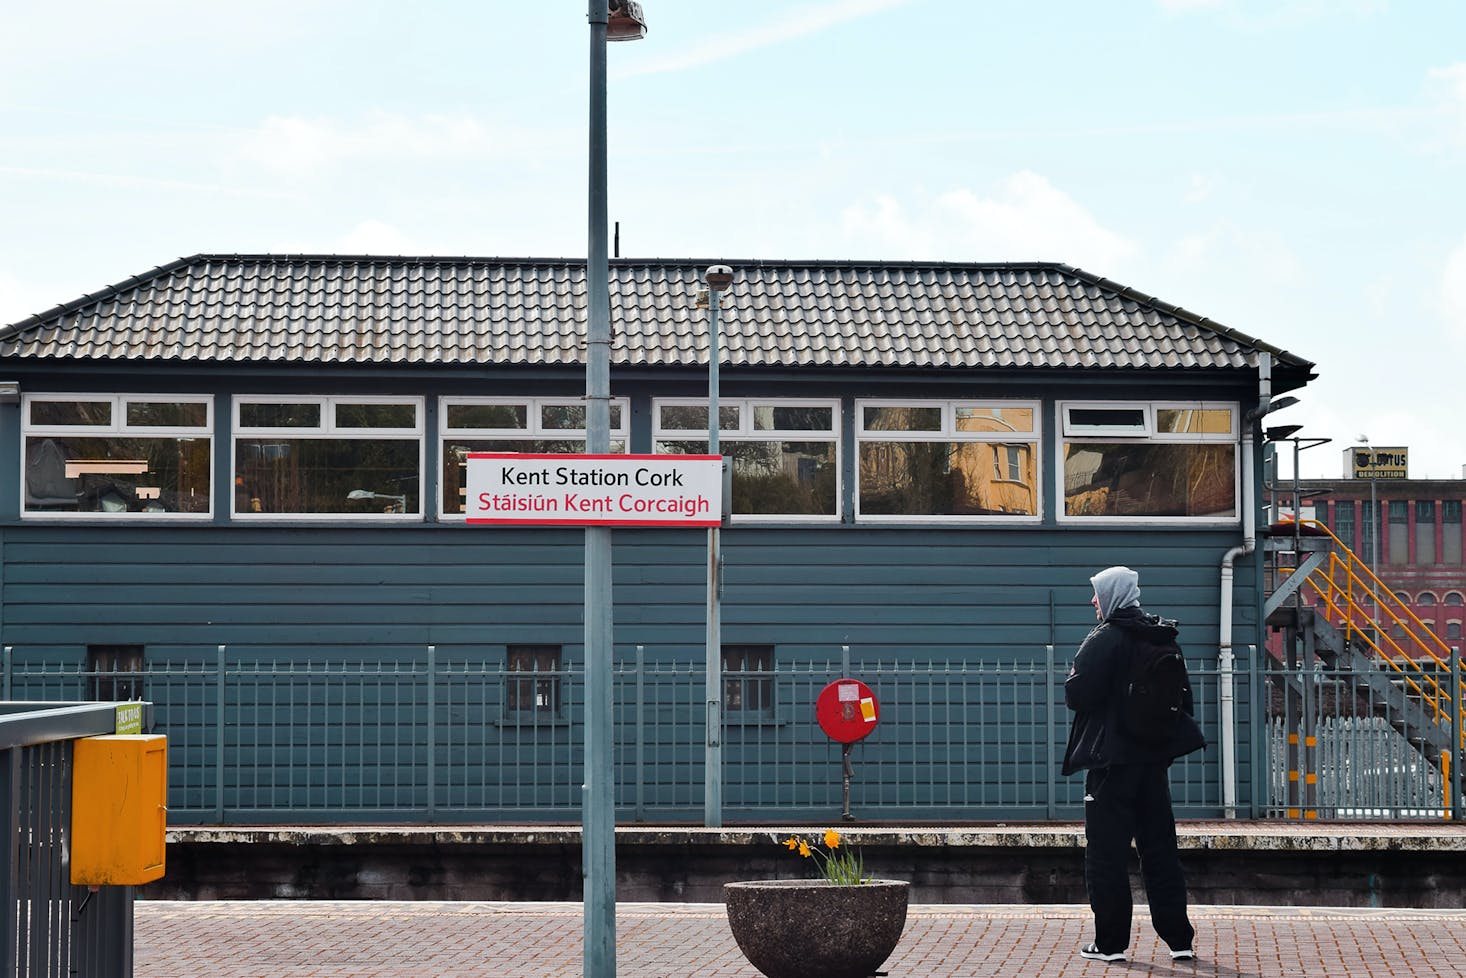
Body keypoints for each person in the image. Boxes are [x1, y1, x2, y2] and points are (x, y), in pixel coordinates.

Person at [1061, 565, 1206, 964]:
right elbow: (1183, 699)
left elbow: (1077, 695)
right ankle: (1179, 939)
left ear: (1112, 596)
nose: (1093, 601)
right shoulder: (1161, 636)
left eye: (1097, 593)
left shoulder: (1106, 638)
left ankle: (1110, 944)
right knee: (1160, 849)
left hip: (1111, 764)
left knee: (1106, 854)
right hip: (1153, 760)